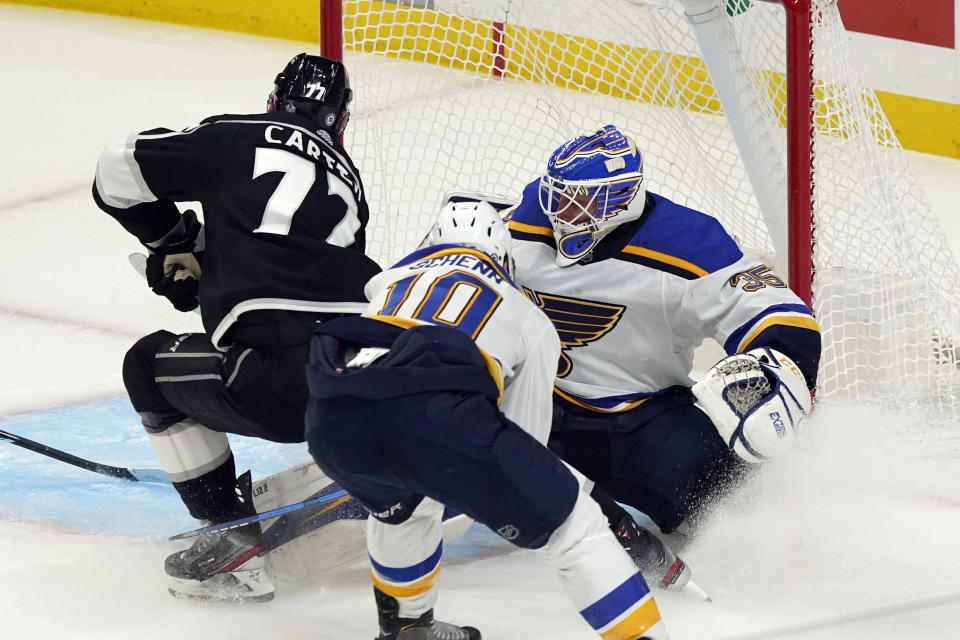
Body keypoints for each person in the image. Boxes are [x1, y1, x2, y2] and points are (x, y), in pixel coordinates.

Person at [304, 199, 670, 640]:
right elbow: (524, 443)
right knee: (575, 526)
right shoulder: (529, 318)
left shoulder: (389, 281)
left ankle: (406, 629)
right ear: (503, 256)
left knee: (404, 511)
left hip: (330, 417)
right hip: (433, 418)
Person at [92, 53, 382, 602]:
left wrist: (172, 243)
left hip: (277, 382)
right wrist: (207, 261)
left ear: (272, 104)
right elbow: (290, 266)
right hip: (366, 366)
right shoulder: (349, 185)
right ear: (340, 125)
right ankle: (380, 456)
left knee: (147, 366)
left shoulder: (233, 136)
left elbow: (114, 171)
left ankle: (231, 540)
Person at [505, 124, 820, 549]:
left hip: (639, 423)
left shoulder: (690, 245)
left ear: (620, 200)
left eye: (581, 202)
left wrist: (771, 370)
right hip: (532, 404)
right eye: (557, 196)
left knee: (743, 511)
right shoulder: (521, 223)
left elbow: (780, 316)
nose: (563, 212)